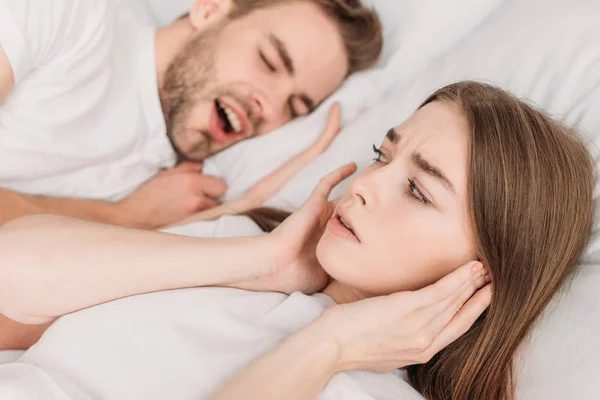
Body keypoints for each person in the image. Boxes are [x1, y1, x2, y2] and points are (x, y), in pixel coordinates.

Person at [0, 82, 593, 400]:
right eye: (380, 157)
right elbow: (10, 276)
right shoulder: (245, 247)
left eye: (417, 190)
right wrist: (261, 260)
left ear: (481, 273)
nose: (364, 185)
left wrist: (331, 345)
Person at [0, 0, 382, 229]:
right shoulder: (69, 17)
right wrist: (122, 218)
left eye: (295, 108)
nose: (271, 107)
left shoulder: (172, 189)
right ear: (210, 9)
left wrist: (246, 205)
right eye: (269, 62)